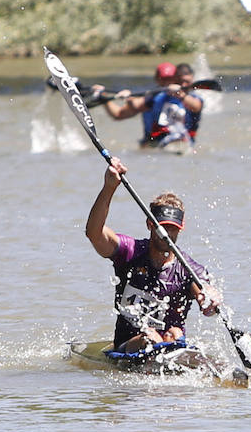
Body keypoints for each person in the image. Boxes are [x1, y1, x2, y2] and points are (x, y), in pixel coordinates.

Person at [85, 157, 222, 353]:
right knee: (150, 337)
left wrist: (209, 298)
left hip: (173, 347)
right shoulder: (129, 252)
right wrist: (109, 187)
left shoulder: (188, 268)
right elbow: (94, 233)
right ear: (150, 225)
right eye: (162, 227)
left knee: (174, 333)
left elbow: (203, 292)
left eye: (172, 229)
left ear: (181, 229)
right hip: (129, 346)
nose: (167, 234)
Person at [142, 62, 204, 149]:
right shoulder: (157, 96)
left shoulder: (195, 98)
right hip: (155, 142)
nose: (183, 85)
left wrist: (180, 94)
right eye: (181, 82)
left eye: (187, 82)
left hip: (183, 141)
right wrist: (129, 99)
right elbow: (123, 112)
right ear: (175, 80)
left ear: (192, 80)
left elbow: (196, 106)